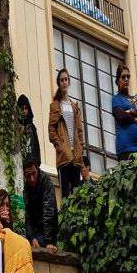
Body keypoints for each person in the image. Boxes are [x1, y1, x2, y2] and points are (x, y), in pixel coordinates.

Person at [48, 68, 85, 199]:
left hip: (76, 156)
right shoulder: (55, 106)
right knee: (65, 195)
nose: (64, 82)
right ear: (59, 83)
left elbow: (79, 131)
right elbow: (51, 129)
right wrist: (60, 146)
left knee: (77, 194)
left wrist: (81, 148)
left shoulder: (74, 106)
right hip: (64, 157)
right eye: (61, 80)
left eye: (66, 79)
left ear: (69, 82)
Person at [112, 64, 137, 161]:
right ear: (118, 80)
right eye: (123, 77)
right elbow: (121, 116)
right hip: (125, 148)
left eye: (128, 76)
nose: (126, 79)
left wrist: (130, 111)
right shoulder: (116, 99)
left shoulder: (135, 98)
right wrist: (135, 118)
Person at [23, 159, 58, 252]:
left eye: (33, 173)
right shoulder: (26, 187)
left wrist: (49, 241)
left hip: (48, 230)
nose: (32, 179)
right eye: (28, 175)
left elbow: (48, 212)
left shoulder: (46, 182)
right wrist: (32, 237)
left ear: (37, 169)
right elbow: (28, 215)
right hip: (35, 230)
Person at [17, 94, 41, 167]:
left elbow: (36, 145)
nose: (24, 111)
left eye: (26, 108)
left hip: (32, 162)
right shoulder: (16, 127)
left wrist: (37, 162)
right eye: (22, 109)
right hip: (21, 164)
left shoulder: (32, 127)